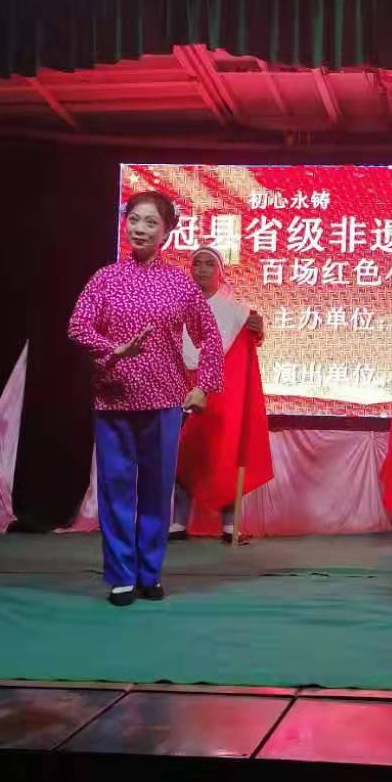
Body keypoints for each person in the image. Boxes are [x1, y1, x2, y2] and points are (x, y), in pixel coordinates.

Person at [67, 192, 223, 605]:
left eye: (151, 222)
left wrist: (204, 385)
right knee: (116, 489)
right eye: (134, 219)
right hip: (113, 399)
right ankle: (121, 575)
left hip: (165, 399)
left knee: (156, 490)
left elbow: (209, 335)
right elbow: (78, 326)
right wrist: (113, 350)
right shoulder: (105, 278)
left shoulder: (180, 284)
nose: (139, 229)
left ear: (167, 232)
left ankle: (149, 573)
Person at [171, 246, 270, 542]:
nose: (201, 270)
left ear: (220, 272)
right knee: (182, 455)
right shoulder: (178, 306)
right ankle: (177, 523)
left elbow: (250, 343)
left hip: (221, 394)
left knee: (225, 452)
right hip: (182, 389)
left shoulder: (236, 311)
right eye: (197, 264)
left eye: (209, 264)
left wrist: (257, 331)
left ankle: (229, 526)